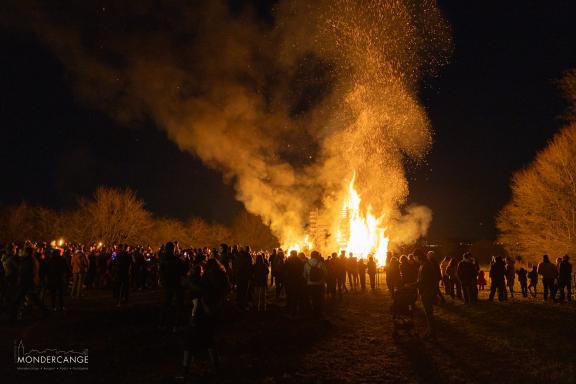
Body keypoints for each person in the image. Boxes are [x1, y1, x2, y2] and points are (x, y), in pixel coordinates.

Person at [159, 242, 187, 330]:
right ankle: (177, 324)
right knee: (179, 304)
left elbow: (161, 271)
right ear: (173, 249)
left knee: (166, 303)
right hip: (176, 284)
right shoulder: (177, 260)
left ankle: (163, 323)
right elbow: (184, 270)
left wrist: (161, 279)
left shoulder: (163, 258)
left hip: (167, 283)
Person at [415, 249, 440, 340]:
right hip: (427, 291)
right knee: (428, 313)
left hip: (427, 292)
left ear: (418, 256)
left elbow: (423, 280)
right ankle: (430, 331)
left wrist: (412, 285)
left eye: (415, 257)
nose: (414, 259)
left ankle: (431, 332)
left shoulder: (426, 265)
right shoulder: (425, 264)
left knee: (429, 313)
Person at [303, 251, 326, 317]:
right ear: (317, 255)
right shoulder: (321, 263)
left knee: (312, 298)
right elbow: (326, 273)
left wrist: (308, 280)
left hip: (310, 284)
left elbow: (304, 275)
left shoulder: (307, 264)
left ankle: (313, 311)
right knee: (319, 298)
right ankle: (319, 312)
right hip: (320, 284)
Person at [284, 250, 305, 316]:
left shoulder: (288, 260)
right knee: (296, 295)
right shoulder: (300, 261)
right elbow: (302, 271)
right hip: (297, 280)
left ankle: (290, 309)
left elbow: (285, 269)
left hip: (290, 280)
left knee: (290, 295)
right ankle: (296, 309)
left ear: (292, 254)